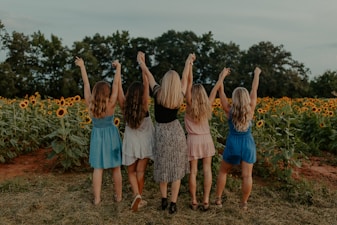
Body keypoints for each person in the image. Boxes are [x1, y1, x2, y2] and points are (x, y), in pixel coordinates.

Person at [137, 51, 192, 214]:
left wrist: (142, 63)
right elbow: (184, 78)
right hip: (176, 133)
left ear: (165, 82)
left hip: (161, 135)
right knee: (176, 171)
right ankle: (173, 203)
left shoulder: (158, 92)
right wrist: (188, 62)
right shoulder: (179, 95)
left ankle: (163, 200)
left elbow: (148, 74)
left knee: (163, 168)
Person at [75, 56, 123, 205]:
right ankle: (119, 196)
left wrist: (82, 66)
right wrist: (118, 68)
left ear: (95, 93)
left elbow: (86, 83)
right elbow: (116, 83)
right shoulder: (111, 103)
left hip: (97, 136)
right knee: (116, 168)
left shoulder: (90, 102)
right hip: (112, 135)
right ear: (107, 93)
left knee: (98, 168)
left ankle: (97, 199)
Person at [185, 60, 231, 211]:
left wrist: (190, 66)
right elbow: (216, 88)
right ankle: (205, 200)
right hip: (206, 139)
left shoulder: (189, 104)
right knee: (207, 170)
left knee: (193, 171)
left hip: (192, 139)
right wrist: (222, 76)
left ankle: (193, 201)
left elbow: (189, 82)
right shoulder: (208, 103)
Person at [214, 67, 262, 210]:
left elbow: (220, 92)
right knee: (247, 176)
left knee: (223, 171)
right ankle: (244, 203)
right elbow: (254, 89)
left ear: (234, 98)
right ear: (247, 98)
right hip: (247, 143)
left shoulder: (229, 110)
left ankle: (218, 200)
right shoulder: (251, 108)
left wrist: (221, 77)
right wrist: (256, 74)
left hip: (233, 143)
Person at [117, 58, 154, 212]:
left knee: (131, 172)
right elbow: (146, 84)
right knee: (140, 171)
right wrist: (142, 63)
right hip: (145, 142)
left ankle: (137, 195)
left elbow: (117, 88)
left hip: (131, 143)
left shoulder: (124, 106)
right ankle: (140, 197)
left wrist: (118, 71)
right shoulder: (145, 104)